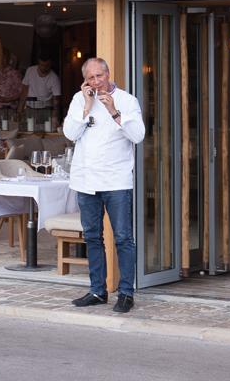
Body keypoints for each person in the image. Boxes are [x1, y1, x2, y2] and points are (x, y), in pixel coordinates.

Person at [63, 57, 145, 314]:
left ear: (108, 75)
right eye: (91, 78)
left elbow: (138, 136)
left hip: (116, 179)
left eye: (99, 76)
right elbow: (70, 133)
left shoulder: (127, 100)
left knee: (123, 237)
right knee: (92, 237)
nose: (96, 82)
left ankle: (126, 293)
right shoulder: (79, 100)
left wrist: (114, 112)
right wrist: (87, 106)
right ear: (85, 80)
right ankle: (97, 290)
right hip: (86, 179)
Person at [17, 55, 62, 121]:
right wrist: (20, 106)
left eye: (46, 66)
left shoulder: (54, 79)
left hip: (45, 110)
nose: (43, 68)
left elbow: (56, 100)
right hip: (29, 108)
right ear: (38, 62)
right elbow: (25, 89)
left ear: (51, 63)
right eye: (41, 65)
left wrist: (54, 118)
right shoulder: (30, 70)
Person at [0, 50, 23, 116]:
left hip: (11, 110)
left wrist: (8, 99)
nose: (1, 60)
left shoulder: (14, 74)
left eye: (3, 57)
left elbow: (23, 92)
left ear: (8, 58)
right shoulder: (0, 75)